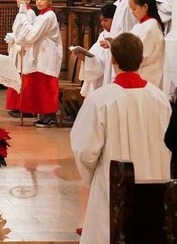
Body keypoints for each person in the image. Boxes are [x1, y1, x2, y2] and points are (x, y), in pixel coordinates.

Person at [70, 32, 171, 244]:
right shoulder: (160, 99)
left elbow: (84, 149)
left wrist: (94, 177)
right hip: (156, 183)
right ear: (141, 60)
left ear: (113, 59)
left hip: (113, 185)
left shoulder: (101, 99)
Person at [13, 0, 62, 127]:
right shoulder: (41, 16)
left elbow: (32, 35)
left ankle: (50, 117)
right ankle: (43, 115)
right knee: (40, 87)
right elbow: (26, 35)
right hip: (39, 55)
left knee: (47, 86)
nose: (39, 2)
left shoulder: (49, 16)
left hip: (46, 55)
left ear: (50, 1)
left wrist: (24, 18)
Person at [102, 0, 137, 84]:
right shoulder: (121, 2)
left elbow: (129, 33)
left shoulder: (130, 3)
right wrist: (110, 42)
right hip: (116, 52)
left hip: (123, 58)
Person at [4, 0, 37, 118]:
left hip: (24, 50)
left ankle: (25, 107)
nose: (17, 1)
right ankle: (17, 105)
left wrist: (16, 39)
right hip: (17, 49)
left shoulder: (29, 13)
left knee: (24, 78)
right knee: (17, 76)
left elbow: (28, 32)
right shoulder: (21, 14)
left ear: (28, 0)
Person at [75, 3, 116, 98]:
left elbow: (106, 62)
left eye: (105, 20)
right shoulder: (103, 35)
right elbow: (93, 53)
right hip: (95, 78)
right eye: (101, 21)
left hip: (105, 79)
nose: (102, 24)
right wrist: (84, 56)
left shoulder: (116, 37)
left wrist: (87, 59)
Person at [128, 0, 165, 88]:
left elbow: (142, 53)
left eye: (134, 9)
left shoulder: (151, 25)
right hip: (138, 72)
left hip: (147, 75)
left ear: (145, 7)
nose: (133, 13)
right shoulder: (139, 25)